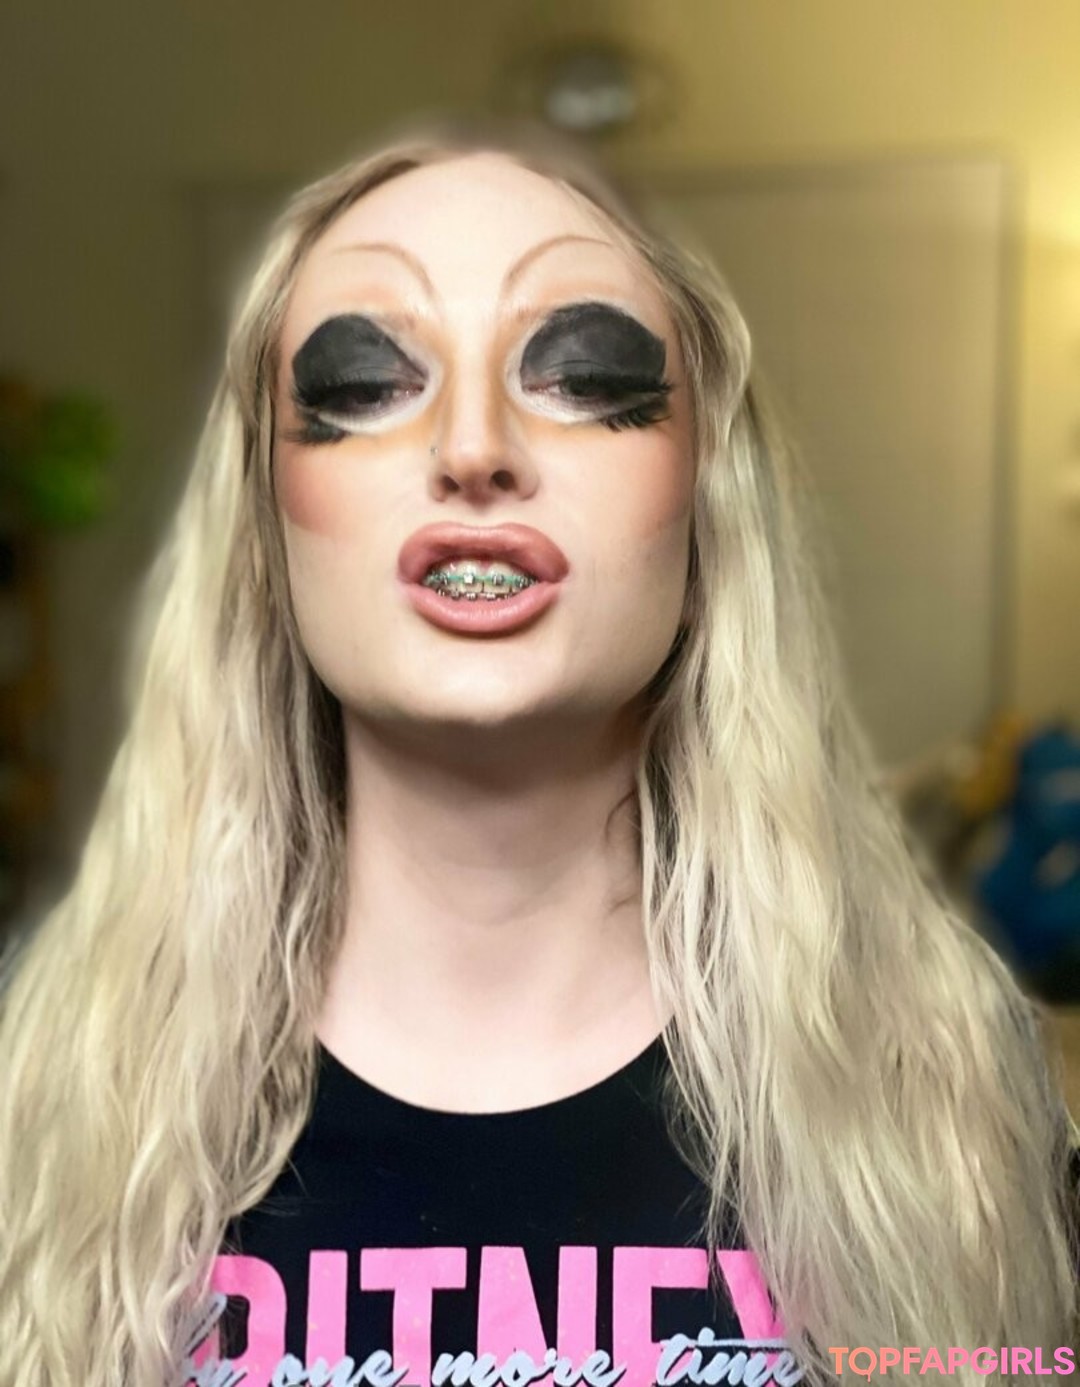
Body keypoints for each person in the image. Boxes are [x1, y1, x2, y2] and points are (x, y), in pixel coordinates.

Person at [0, 116, 1076, 1387]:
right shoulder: (45, 1105)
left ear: (705, 498)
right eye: (364, 384)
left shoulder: (951, 1095)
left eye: (582, 376)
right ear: (266, 520)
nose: (472, 449)